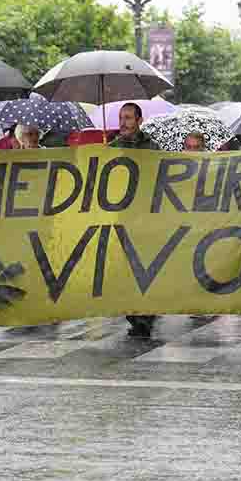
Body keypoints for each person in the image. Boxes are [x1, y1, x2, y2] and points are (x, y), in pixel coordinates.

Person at [109, 101, 161, 337]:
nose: (123, 122)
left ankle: (146, 315)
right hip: (120, 217)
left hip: (145, 217)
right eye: (121, 118)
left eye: (128, 118)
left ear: (139, 120)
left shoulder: (151, 147)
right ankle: (132, 312)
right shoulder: (111, 147)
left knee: (144, 267)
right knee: (123, 269)